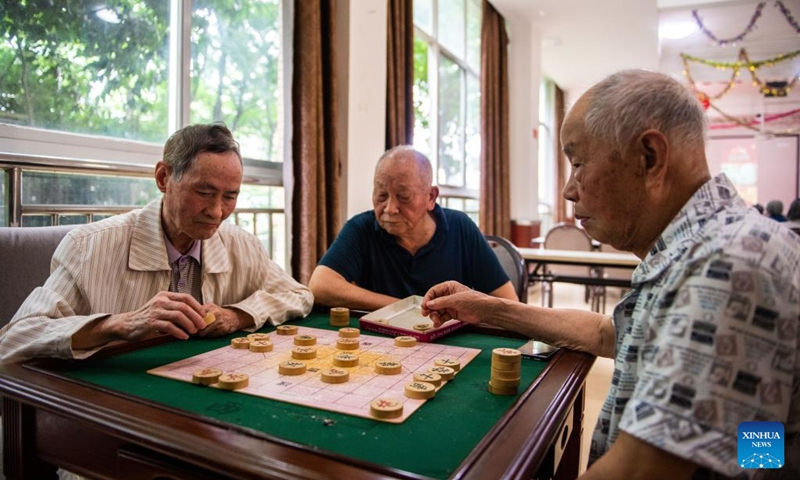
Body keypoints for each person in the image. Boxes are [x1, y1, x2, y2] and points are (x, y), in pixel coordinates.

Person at [422, 70, 799, 479]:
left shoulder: (728, 263)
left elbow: (641, 472)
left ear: (649, 158)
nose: (568, 190)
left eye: (578, 163)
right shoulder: (708, 246)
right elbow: (609, 334)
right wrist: (487, 308)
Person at [0, 123, 313, 364]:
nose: (217, 212)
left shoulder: (241, 245)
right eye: (204, 193)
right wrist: (121, 324)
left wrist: (238, 315)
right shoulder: (88, 247)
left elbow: (299, 295)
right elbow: (15, 338)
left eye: (230, 196)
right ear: (164, 178)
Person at [308, 146, 517, 311]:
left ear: (430, 197)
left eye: (404, 197)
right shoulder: (361, 228)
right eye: (381, 196)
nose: (389, 208)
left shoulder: (460, 228)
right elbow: (320, 286)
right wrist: (406, 308)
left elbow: (509, 302)